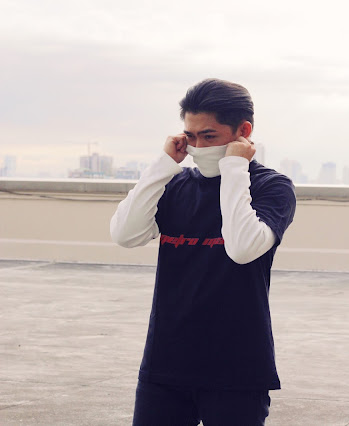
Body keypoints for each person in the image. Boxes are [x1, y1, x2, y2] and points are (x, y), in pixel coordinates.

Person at [110, 78, 296, 425]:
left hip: (237, 369)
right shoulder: (175, 185)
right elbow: (125, 234)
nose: (197, 147)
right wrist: (164, 164)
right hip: (165, 365)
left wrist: (235, 168)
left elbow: (242, 248)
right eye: (190, 136)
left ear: (243, 131)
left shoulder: (272, 187)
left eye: (209, 136)